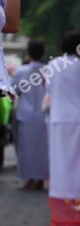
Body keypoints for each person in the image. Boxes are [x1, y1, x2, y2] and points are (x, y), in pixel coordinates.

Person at [46, 32, 80, 200]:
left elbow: (49, 90)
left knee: (60, 155)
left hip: (59, 115)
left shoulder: (52, 65)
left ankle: (60, 190)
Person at [12, 41, 48, 190]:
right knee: (43, 149)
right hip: (45, 116)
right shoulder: (49, 70)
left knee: (27, 150)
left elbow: (14, 92)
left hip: (26, 116)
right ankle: (41, 179)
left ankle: (31, 180)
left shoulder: (21, 71)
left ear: (29, 54)